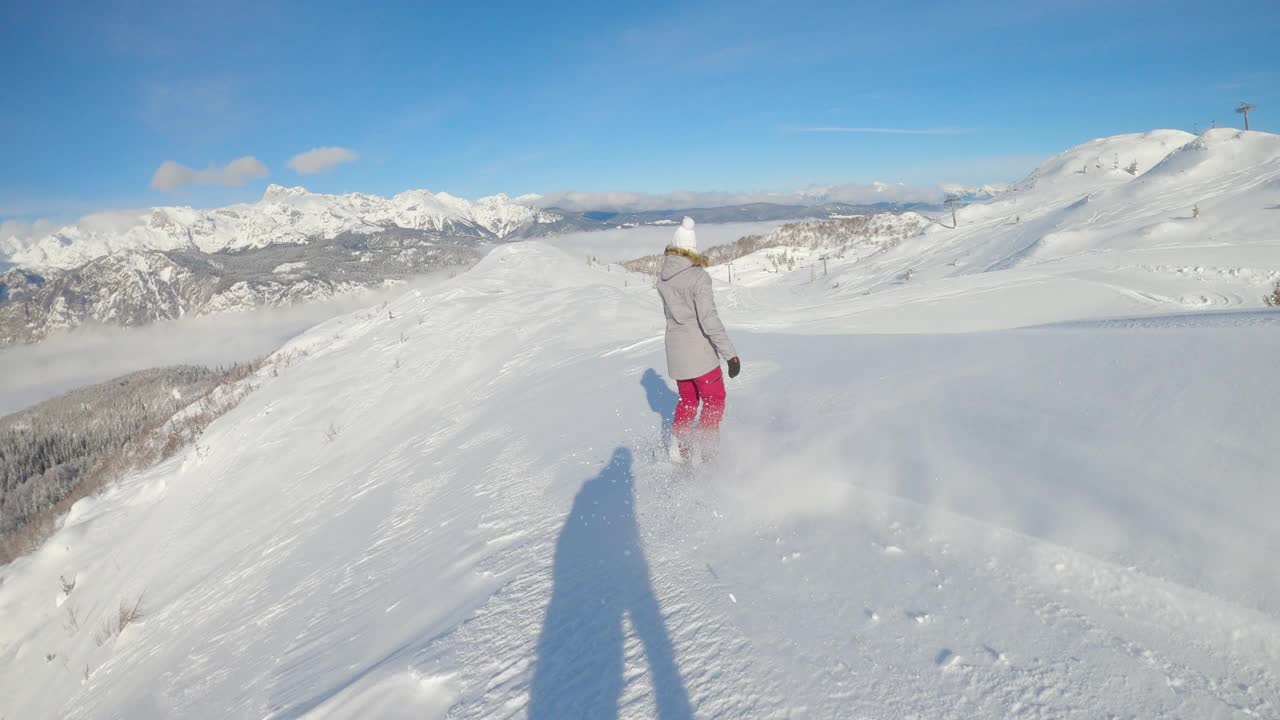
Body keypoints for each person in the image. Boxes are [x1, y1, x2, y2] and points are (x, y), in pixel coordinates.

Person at [656, 216, 741, 463]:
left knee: (688, 400)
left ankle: (680, 449)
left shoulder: (663, 278)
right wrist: (730, 354)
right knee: (714, 399)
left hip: (676, 353)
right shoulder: (698, 278)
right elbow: (708, 320)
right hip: (700, 353)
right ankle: (707, 452)